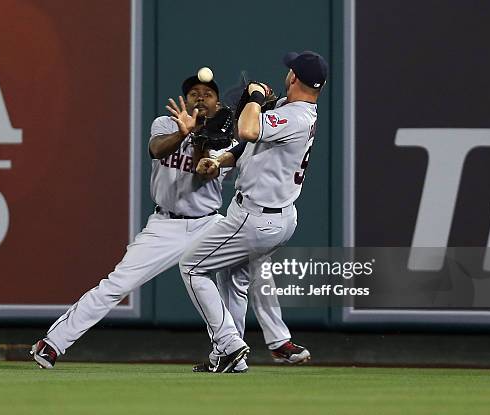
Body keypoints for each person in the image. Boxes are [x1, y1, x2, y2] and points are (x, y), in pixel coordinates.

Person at [30, 72, 302, 370]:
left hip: (208, 223)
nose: (200, 97)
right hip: (164, 226)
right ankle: (53, 343)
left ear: (218, 102)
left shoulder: (226, 138)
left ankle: (235, 351)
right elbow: (157, 150)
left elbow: (203, 172)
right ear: (185, 99)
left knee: (244, 273)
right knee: (117, 284)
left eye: (207, 93)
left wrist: (199, 139)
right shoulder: (166, 123)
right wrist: (183, 133)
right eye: (194, 92)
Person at [181, 51, 328, 373]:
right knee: (233, 279)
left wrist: (256, 96)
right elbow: (247, 146)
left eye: (290, 70)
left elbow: (248, 130)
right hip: (274, 216)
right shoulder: (293, 111)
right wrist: (219, 160)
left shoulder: (297, 117)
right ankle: (229, 357)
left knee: (192, 268)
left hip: (256, 218)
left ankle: (230, 343)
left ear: (294, 78)